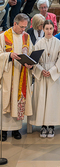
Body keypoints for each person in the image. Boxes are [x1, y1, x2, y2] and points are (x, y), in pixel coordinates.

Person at [0, 13, 33, 141]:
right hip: (8, 75)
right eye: (21, 27)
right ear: (15, 24)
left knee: (18, 101)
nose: (23, 30)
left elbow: (30, 53)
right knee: (7, 101)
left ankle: (16, 130)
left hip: (22, 74)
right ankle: (3, 131)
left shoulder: (27, 37)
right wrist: (9, 56)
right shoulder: (3, 37)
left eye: (25, 27)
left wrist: (30, 64)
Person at [30, 20, 60, 138]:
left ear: (53, 29)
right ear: (43, 29)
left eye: (51, 28)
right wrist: (41, 70)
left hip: (53, 75)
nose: (49, 31)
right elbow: (34, 61)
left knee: (52, 100)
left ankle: (52, 125)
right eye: (47, 28)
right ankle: (43, 125)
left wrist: (51, 71)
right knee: (42, 99)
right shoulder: (39, 43)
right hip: (42, 73)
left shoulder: (59, 43)